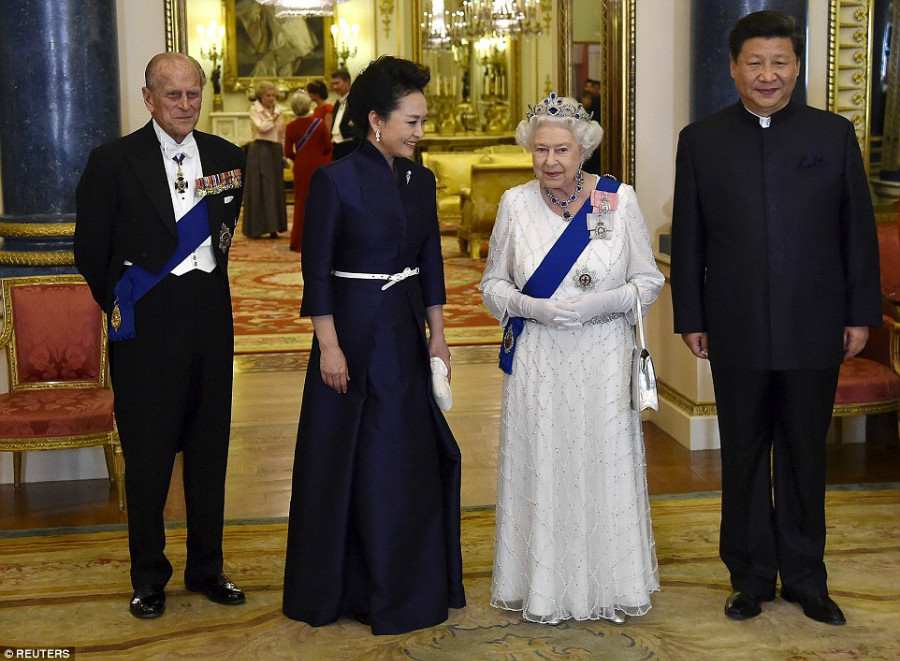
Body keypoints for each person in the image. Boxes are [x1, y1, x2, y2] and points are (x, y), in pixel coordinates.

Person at [670, 10, 882, 626]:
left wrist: (859, 313)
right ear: (734, 68)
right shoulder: (701, 140)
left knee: (804, 455)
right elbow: (690, 240)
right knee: (741, 454)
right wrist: (691, 314)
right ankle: (750, 577)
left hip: (815, 325)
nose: (767, 74)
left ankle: (808, 579)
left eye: (779, 62)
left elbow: (857, 236)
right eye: (754, 62)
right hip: (733, 326)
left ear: (797, 66)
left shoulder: (834, 134)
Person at [282, 55, 466, 635]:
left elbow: (431, 262)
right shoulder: (333, 180)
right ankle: (350, 585)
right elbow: (317, 273)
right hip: (352, 335)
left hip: (405, 333)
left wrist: (438, 336)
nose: (420, 131)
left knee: (405, 458)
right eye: (411, 120)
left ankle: (411, 580)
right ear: (375, 121)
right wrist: (329, 347)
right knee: (353, 460)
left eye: (422, 120)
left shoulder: (421, 179)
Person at [74, 52, 247, 619]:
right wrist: (121, 304)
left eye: (194, 94)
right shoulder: (113, 160)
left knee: (208, 450)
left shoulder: (227, 158)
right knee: (147, 458)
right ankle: (148, 576)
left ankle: (207, 568)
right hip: (146, 323)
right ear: (147, 97)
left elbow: (221, 239)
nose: (185, 105)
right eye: (172, 95)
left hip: (208, 319)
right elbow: (89, 248)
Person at [480, 93, 664, 625]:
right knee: (544, 459)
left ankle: (611, 582)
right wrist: (529, 305)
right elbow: (492, 285)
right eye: (540, 150)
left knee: (600, 460)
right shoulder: (515, 204)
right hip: (539, 355)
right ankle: (541, 587)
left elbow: (648, 280)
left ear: (583, 150)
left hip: (603, 355)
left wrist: (604, 302)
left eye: (561, 149)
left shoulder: (617, 200)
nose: (550, 162)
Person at [284, 89, 332, 252]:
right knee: (320, 203)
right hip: (319, 166)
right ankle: (320, 241)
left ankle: (298, 242)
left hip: (301, 167)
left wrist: (299, 158)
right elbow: (327, 146)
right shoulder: (318, 124)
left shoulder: (290, 127)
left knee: (301, 203)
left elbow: (288, 152)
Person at [243, 80, 287, 238]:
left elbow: (281, 132)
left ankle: (274, 227)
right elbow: (262, 127)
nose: (272, 98)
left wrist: (283, 153)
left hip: (274, 149)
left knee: (273, 188)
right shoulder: (254, 109)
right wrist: (274, 117)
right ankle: (256, 228)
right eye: (269, 95)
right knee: (260, 187)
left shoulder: (278, 110)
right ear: (261, 95)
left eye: (274, 95)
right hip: (260, 149)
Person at [330, 68, 359, 160]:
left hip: (350, 146)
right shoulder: (337, 103)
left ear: (347, 81)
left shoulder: (355, 100)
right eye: (333, 84)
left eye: (337, 83)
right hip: (336, 146)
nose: (334, 87)